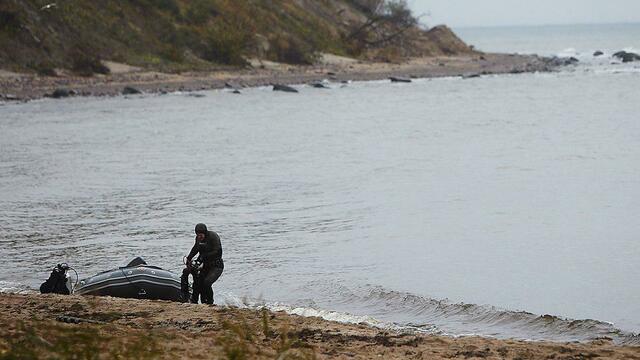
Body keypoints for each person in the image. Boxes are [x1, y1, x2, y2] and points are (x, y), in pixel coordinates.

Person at [183, 223, 224, 304]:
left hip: (216, 266)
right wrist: (189, 258)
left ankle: (210, 302)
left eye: (201, 235)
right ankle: (199, 301)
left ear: (205, 233)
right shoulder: (198, 239)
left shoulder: (213, 237)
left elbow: (218, 252)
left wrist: (203, 257)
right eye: (198, 235)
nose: (199, 237)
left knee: (207, 283)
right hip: (205, 265)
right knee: (199, 283)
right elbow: (195, 248)